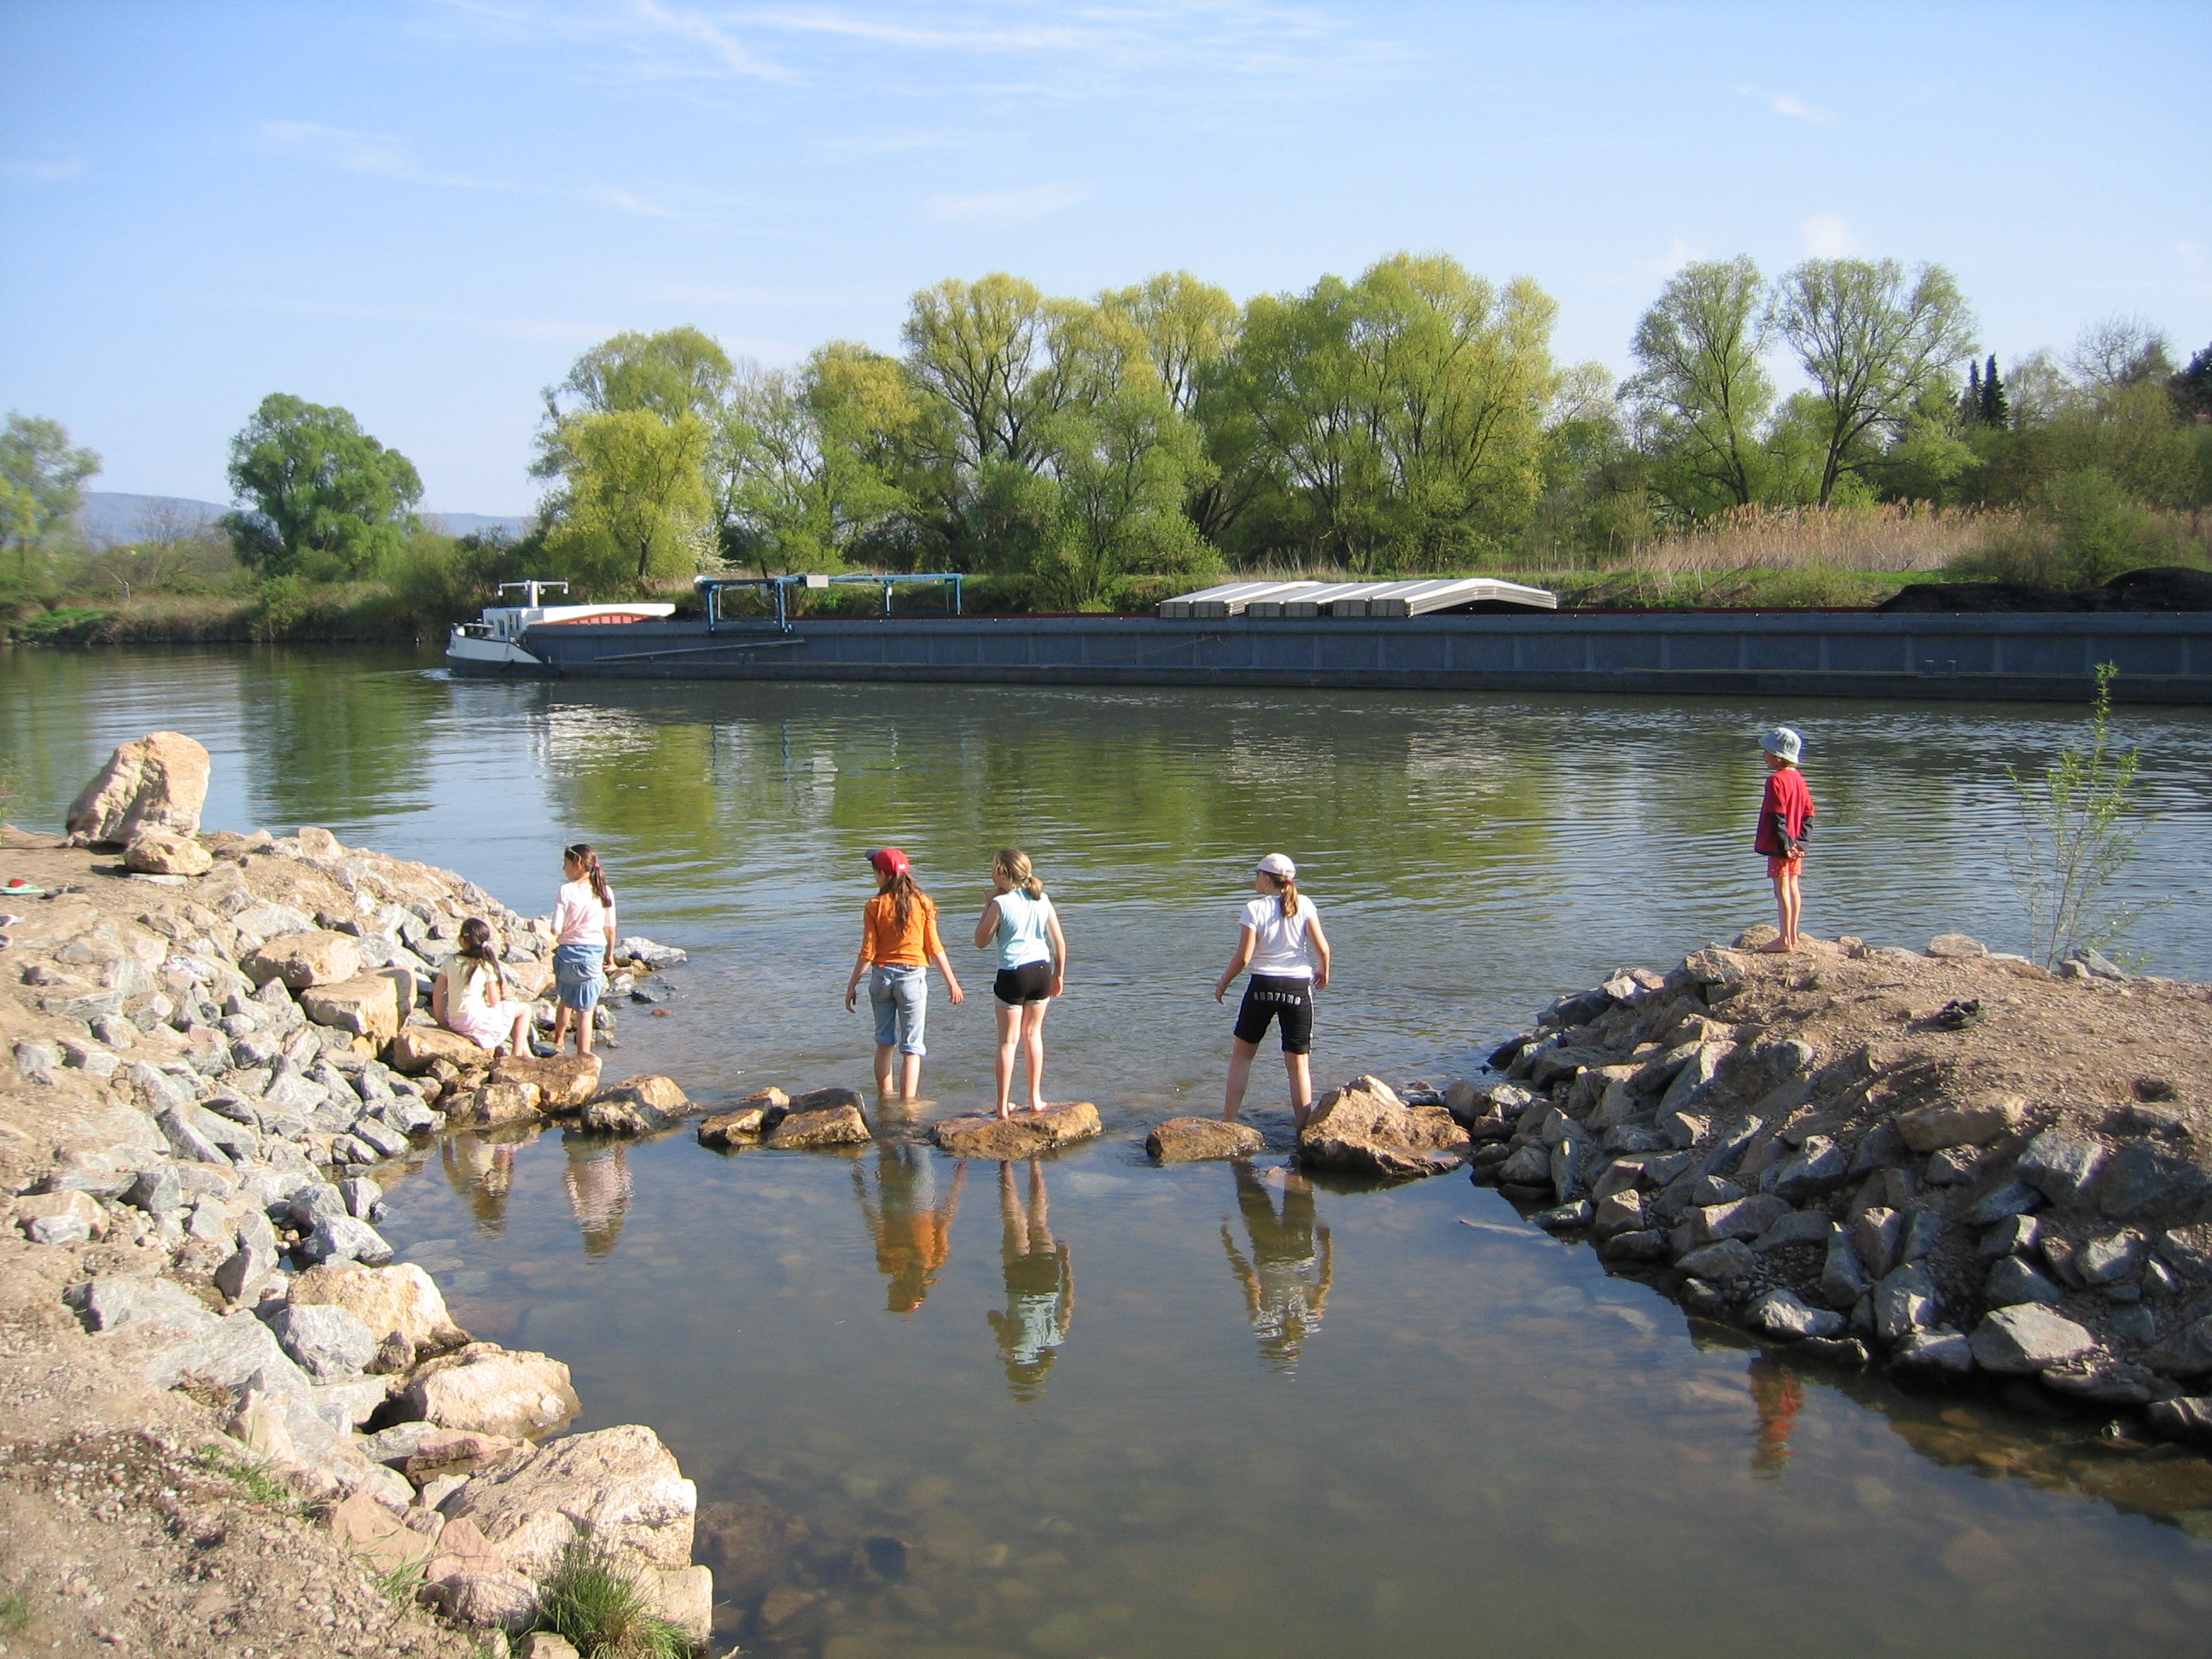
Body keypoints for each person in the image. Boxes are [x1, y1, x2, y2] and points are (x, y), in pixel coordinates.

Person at [1214, 853, 1332, 1131]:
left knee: (1242, 1057)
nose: (1256, 878)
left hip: (1262, 988)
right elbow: (1323, 948)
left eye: (1258, 874)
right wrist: (1323, 970)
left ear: (1266, 878)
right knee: (1299, 1066)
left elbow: (1244, 958)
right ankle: (1303, 1129)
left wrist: (1223, 983)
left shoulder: (1254, 908)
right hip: (1297, 988)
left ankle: (1228, 1123)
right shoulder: (1304, 904)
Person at [844, 847, 964, 1098]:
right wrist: (952, 982)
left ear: (883, 875)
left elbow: (868, 952)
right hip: (912, 980)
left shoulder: (874, 905)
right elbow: (934, 947)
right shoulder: (924, 903)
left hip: (881, 978)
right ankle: (908, 1105)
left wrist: (851, 985)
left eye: (875, 871)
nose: (874, 876)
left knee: (884, 1043)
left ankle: (885, 1098)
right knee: (912, 1048)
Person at [972, 848, 1068, 1120]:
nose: (990, 872)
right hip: (1041, 971)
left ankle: (1003, 1106)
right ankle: (1035, 1099)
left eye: (992, 868)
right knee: (1033, 1036)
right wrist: (1059, 975)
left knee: (1008, 1041)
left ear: (1002, 874)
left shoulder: (1000, 905)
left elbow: (980, 941)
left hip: (1013, 973)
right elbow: (1059, 942)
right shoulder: (1042, 898)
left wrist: (988, 905)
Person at [1220, 1161, 1334, 1374]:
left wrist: (1327, 1244)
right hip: (1272, 1251)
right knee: (1250, 1184)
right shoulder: (1295, 1320)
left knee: (1296, 1187)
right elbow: (1249, 1279)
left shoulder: (1305, 1321)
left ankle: (1285, 1154)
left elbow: (1325, 1282)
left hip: (1293, 1250)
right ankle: (1288, 1153)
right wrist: (1229, 1244)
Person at [988, 1159, 1073, 1401]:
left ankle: (1035, 1161)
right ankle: (1006, 1164)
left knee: (1038, 1221)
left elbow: (1068, 1304)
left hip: (1047, 1280)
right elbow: (994, 1317)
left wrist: (1065, 1264)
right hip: (1020, 1283)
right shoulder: (1013, 1351)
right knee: (1014, 1220)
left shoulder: (1055, 1340)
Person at [853, 1144, 968, 1314]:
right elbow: (876, 1226)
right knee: (901, 1148)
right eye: (892, 1296)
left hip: (911, 1204)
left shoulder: (928, 1263)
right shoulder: (889, 1264)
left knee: (903, 1147)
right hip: (904, 1204)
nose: (889, 1292)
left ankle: (902, 1120)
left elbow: (944, 1221)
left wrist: (958, 1183)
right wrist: (861, 1190)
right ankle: (906, 1120)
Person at [549, 844, 618, 1057]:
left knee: (565, 1000)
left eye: (566, 864)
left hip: (567, 954)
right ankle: (584, 1055)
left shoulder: (565, 890)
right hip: (593, 954)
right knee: (586, 1011)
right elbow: (610, 929)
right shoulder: (604, 891)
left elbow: (555, 928)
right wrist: (610, 957)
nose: (564, 868)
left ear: (578, 865)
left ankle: (559, 1043)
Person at [431, 917, 534, 1057]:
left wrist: (442, 1022)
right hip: (475, 1021)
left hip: (455, 1021)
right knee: (525, 1009)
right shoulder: (486, 965)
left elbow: (437, 995)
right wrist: (499, 992)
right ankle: (516, 1054)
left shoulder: (449, 961)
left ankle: (527, 1053)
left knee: (509, 1012)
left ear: (462, 940)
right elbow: (494, 1001)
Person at [1755, 726, 1816, 953]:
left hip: (1782, 846)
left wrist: (1785, 846)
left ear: (1778, 756)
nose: (1764, 756)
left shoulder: (1775, 780)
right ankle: (1793, 935)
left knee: (1781, 890)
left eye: (1767, 752)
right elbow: (1809, 812)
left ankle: (1784, 940)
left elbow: (1776, 815)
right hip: (1796, 845)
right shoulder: (1799, 779)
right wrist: (1802, 843)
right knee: (1793, 887)